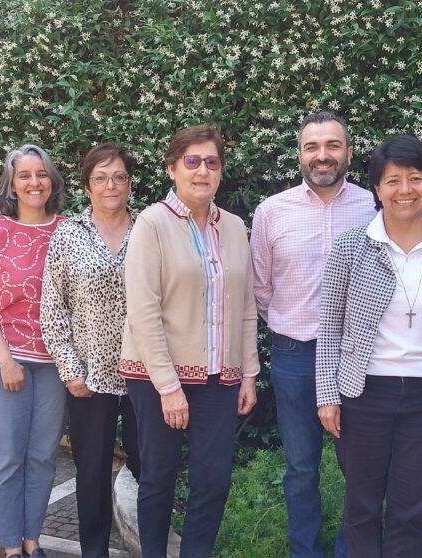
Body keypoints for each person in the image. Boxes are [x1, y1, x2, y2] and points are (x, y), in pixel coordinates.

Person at [316, 134, 422, 557]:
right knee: (361, 507)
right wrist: (327, 394)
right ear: (376, 188)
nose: (405, 190)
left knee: (411, 512)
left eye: (416, 178)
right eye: (393, 180)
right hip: (363, 394)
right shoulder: (351, 247)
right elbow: (329, 327)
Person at [119, 124, 259, 558]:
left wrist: (248, 373)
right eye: (192, 161)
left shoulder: (233, 226)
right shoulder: (152, 223)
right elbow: (143, 310)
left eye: (211, 162)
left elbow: (246, 304)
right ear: (172, 168)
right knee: (158, 477)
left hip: (220, 377)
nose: (202, 171)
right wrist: (168, 387)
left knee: (213, 481)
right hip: (156, 377)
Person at [249, 111, 375, 558]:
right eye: (312, 147)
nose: (323, 155)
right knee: (301, 467)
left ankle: (349, 551)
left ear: (349, 152)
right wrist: (292, 323)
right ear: (300, 155)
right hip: (294, 355)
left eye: (333, 145)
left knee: (359, 466)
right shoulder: (271, 211)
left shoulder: (373, 207)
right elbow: (260, 288)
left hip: (358, 356)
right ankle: (304, 551)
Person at [0, 144, 66, 558]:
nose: (34, 182)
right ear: (11, 184)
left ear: (52, 181)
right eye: (24, 175)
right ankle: (10, 547)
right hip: (2, 358)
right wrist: (6, 361)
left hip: (54, 363)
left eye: (41, 174)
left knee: (42, 457)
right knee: (8, 458)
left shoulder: (69, 231)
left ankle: (32, 541)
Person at [41, 143, 141, 558]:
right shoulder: (68, 235)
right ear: (87, 187)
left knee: (147, 465)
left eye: (119, 177)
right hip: (90, 375)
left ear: (130, 183)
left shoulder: (149, 229)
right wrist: (69, 368)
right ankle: (94, 552)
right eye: (100, 178)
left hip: (144, 373)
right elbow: (53, 307)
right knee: (92, 473)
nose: (110, 185)